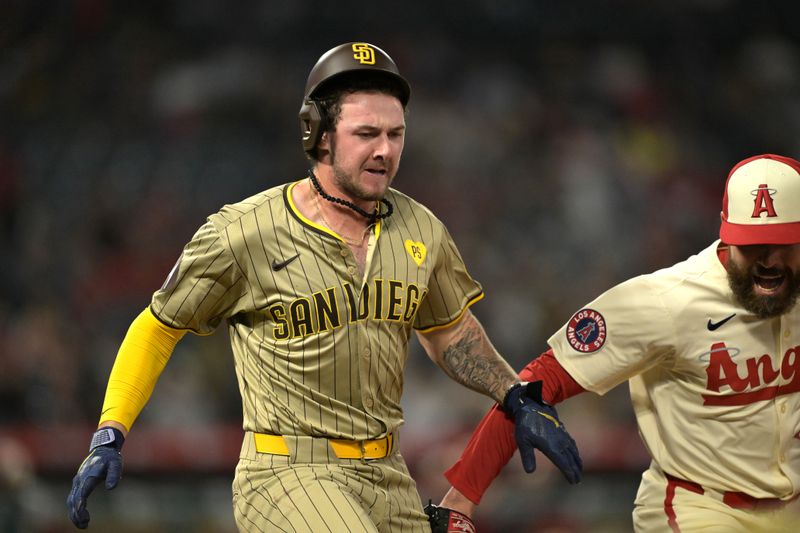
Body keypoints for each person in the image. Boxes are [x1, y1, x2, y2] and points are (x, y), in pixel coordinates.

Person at [66, 42, 583, 532]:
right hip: (286, 471)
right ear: (319, 134)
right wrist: (110, 432)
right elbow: (158, 328)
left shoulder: (422, 228)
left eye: (395, 134)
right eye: (366, 134)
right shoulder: (243, 232)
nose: (384, 150)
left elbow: (449, 334)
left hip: (388, 474)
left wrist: (515, 397)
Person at [430, 153, 800, 532]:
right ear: (725, 232)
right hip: (699, 508)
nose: (767, 260)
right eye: (752, 244)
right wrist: (460, 500)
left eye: (782, 243)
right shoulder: (665, 300)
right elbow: (538, 382)